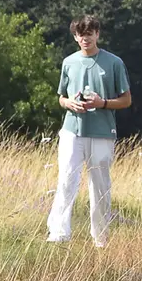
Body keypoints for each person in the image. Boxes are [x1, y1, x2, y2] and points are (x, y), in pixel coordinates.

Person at [49, 15, 131, 247]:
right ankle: (59, 232)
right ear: (75, 37)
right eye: (80, 34)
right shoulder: (69, 62)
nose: (85, 38)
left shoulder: (114, 63)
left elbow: (126, 100)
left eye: (90, 33)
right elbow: (61, 98)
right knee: (66, 178)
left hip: (102, 131)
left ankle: (101, 237)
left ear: (97, 34)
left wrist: (102, 103)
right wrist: (69, 104)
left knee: (100, 184)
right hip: (72, 129)